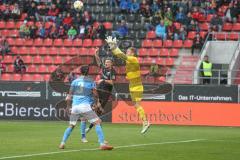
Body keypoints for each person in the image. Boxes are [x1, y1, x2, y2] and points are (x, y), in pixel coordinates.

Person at [59, 65, 113, 150]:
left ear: (80, 72)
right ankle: (102, 144)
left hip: (75, 106)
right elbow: (95, 94)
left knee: (71, 126)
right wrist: (96, 103)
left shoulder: (75, 81)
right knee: (98, 122)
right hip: (84, 106)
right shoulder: (90, 81)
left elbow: (69, 96)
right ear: (88, 72)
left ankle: (62, 143)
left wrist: (68, 106)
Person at [105, 36, 150, 134]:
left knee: (137, 105)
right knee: (136, 105)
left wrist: (114, 46)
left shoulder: (133, 59)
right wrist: (113, 47)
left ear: (132, 53)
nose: (127, 53)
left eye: (128, 51)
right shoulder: (129, 60)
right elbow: (120, 55)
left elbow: (122, 55)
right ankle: (145, 122)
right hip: (133, 86)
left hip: (137, 86)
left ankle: (146, 122)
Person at [85, 48, 116, 133]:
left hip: (105, 93)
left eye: (108, 62)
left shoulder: (112, 71)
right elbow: (99, 62)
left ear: (111, 64)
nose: (106, 64)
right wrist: (96, 54)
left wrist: (103, 80)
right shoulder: (104, 68)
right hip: (99, 89)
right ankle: (89, 111)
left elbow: (112, 82)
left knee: (98, 111)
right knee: (92, 98)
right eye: (105, 62)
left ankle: (91, 126)